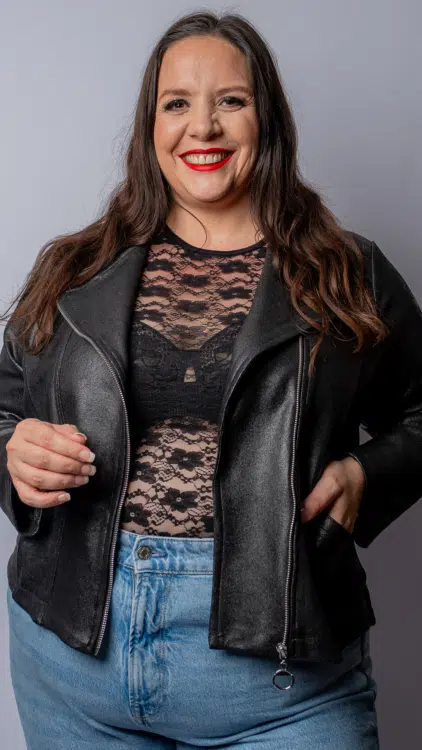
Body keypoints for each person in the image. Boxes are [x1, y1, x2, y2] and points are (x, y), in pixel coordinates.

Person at [1, 10, 421, 750]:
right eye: (177, 103)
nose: (203, 126)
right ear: (150, 126)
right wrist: (14, 455)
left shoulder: (348, 274)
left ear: (267, 118)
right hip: (72, 665)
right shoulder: (73, 268)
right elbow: (2, 411)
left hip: (281, 680)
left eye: (231, 100)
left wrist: (368, 473)